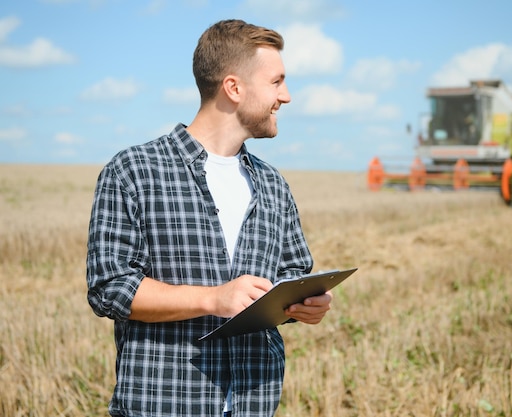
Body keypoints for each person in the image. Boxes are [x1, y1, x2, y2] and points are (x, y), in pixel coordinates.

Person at [86, 19, 333, 417]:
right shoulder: (133, 170)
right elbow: (110, 288)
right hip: (164, 404)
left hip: (254, 404)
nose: (285, 96)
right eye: (276, 82)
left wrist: (308, 304)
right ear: (234, 88)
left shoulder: (273, 184)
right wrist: (213, 298)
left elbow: (291, 275)